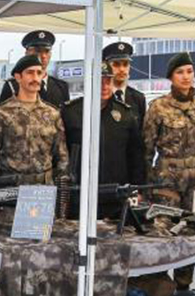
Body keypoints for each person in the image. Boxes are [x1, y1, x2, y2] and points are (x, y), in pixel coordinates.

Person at [141, 52, 195, 291]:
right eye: (180, 72)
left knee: (193, 230)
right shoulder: (158, 107)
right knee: (163, 229)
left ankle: (185, 284)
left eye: (189, 71)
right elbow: (146, 148)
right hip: (168, 178)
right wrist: (145, 185)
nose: (186, 77)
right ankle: (160, 282)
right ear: (171, 77)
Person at [61, 61, 145, 218]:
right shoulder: (70, 113)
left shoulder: (125, 114)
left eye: (108, 81)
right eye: (98, 81)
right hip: (79, 195)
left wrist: (136, 190)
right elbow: (60, 154)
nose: (104, 86)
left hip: (116, 196)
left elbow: (136, 156)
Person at [0, 55, 68, 181]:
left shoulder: (52, 113)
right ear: (18, 77)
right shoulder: (1, 113)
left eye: (39, 73)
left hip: (44, 188)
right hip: (11, 186)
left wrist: (62, 187)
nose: (35, 78)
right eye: (30, 73)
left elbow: (62, 155)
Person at [0, 30, 70, 109]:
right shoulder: (12, 86)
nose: (43, 56)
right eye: (37, 51)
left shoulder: (61, 87)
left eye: (46, 51)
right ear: (27, 53)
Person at [103, 41, 147, 121]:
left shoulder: (138, 98)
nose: (122, 69)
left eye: (125, 64)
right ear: (106, 67)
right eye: (116, 64)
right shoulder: (101, 96)